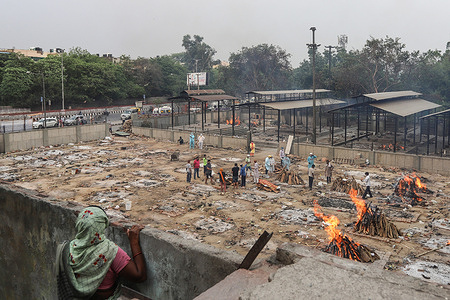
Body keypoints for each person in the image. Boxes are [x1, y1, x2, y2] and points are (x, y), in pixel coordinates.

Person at [56, 206, 146, 299]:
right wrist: (134, 242)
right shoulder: (109, 250)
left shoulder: (67, 248)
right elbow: (140, 276)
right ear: (102, 225)